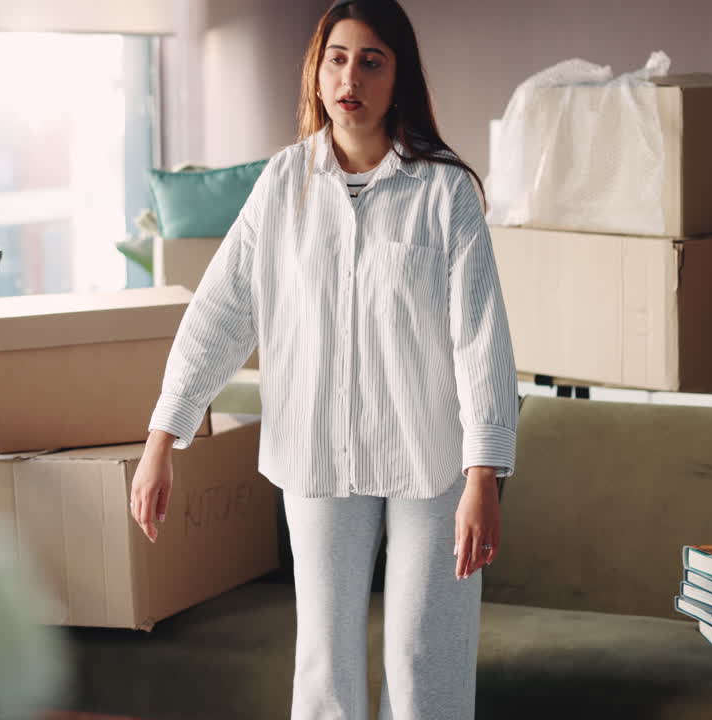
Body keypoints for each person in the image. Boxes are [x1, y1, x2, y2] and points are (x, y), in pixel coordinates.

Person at [132, 0, 518, 717]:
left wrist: (484, 476)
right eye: (337, 58)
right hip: (317, 452)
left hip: (430, 460)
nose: (351, 76)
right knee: (325, 665)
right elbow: (221, 311)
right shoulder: (283, 184)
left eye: (372, 60)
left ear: (398, 78)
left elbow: (481, 339)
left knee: (422, 659)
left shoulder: (445, 191)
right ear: (317, 73)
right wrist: (164, 437)